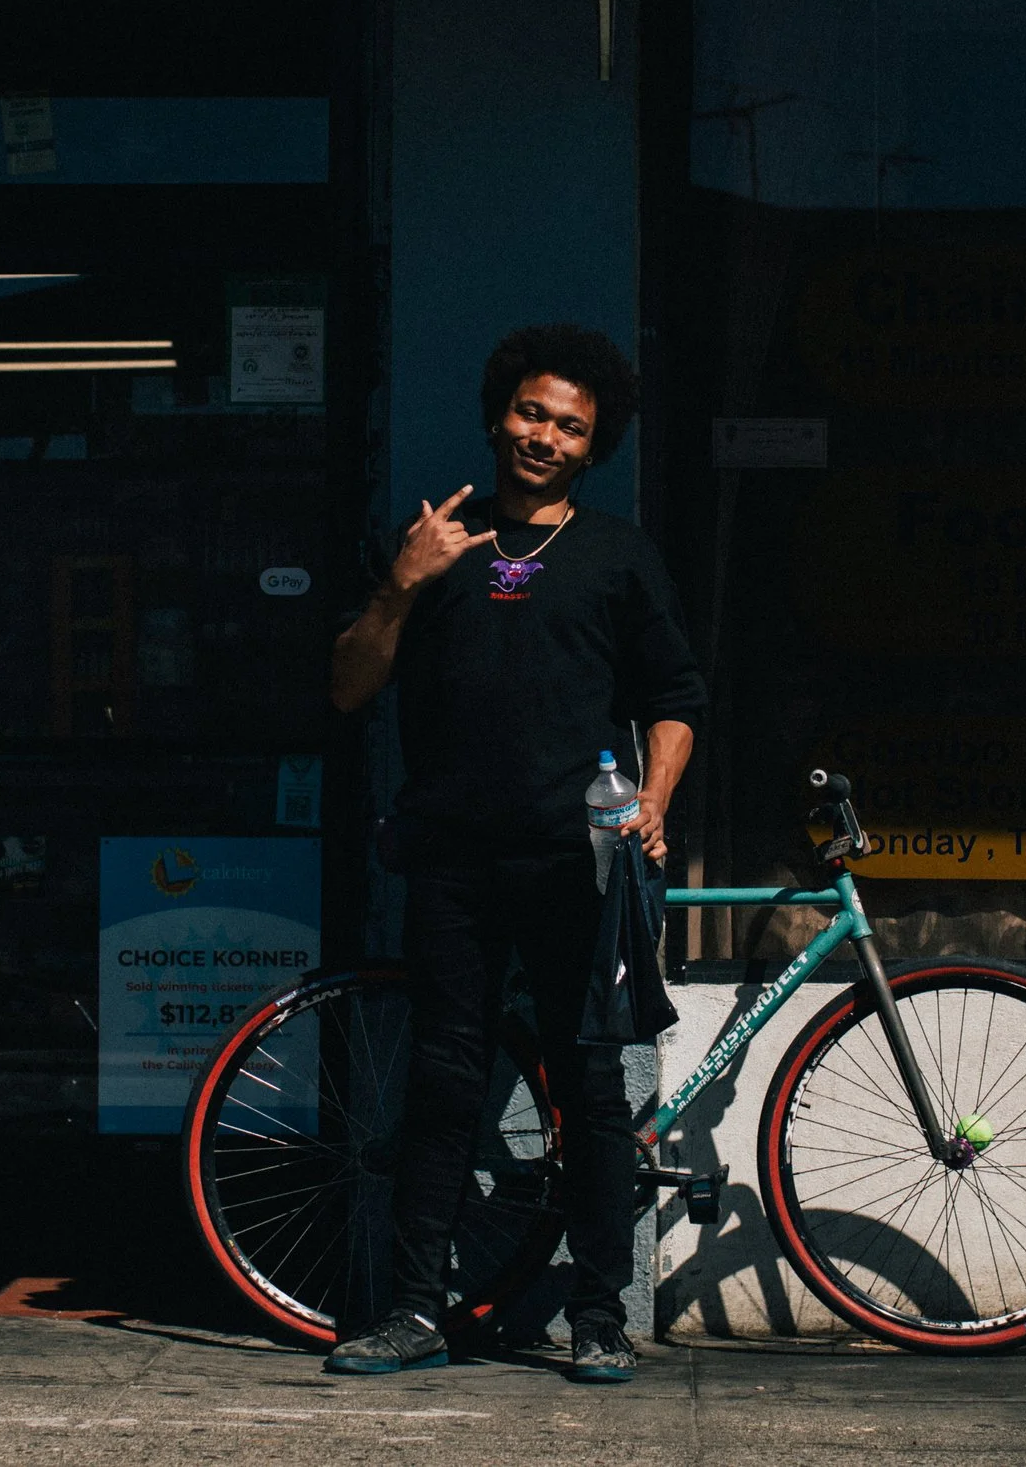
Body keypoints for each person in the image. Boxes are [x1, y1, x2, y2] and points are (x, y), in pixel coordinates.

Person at [324, 324, 703, 1383]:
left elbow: (675, 701)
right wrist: (402, 582)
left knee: (589, 1089)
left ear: (594, 446)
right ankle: (411, 1311)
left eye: (569, 426)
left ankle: (596, 1315)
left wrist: (655, 806)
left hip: (572, 865)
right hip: (451, 863)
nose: (544, 436)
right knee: (444, 1084)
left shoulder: (617, 555)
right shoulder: (435, 543)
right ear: (499, 413)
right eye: (533, 413)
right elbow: (349, 688)